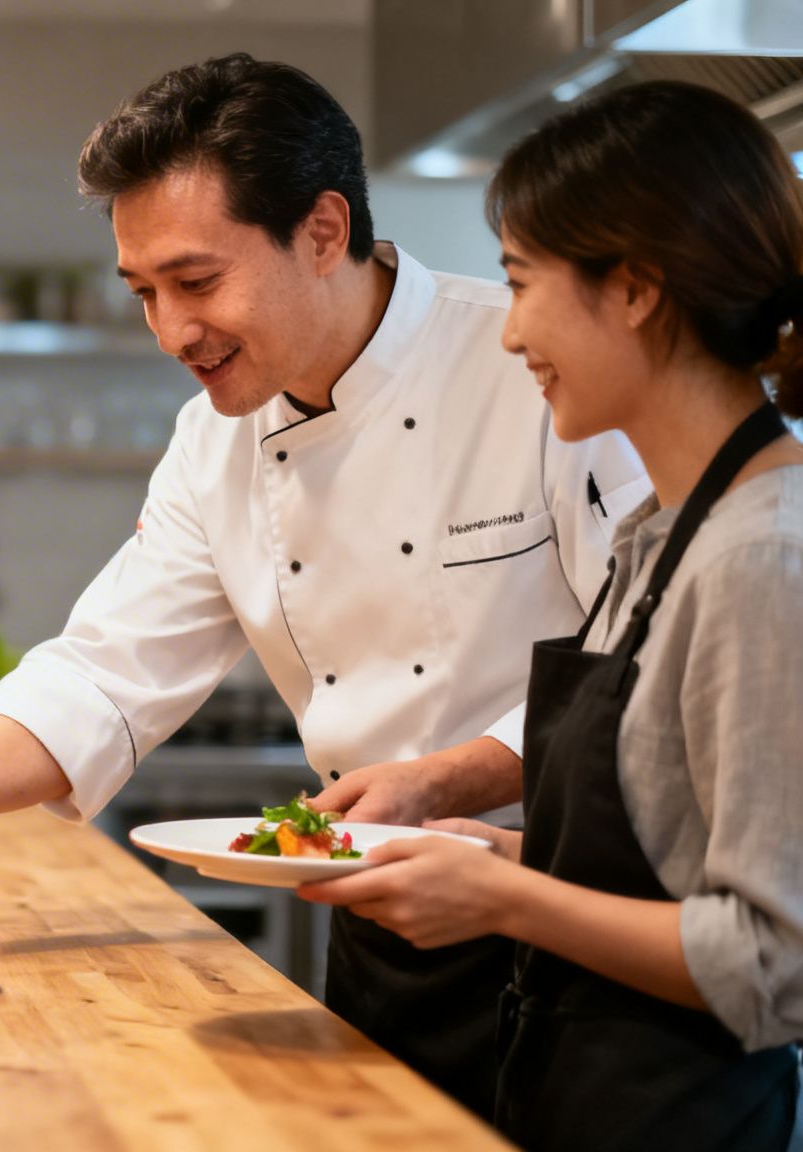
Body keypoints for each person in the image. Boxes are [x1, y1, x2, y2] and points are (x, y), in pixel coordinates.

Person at [0, 53, 650, 1117]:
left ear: (321, 232)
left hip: (569, 930)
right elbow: (105, 674)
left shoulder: (531, 368)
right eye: (142, 292)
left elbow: (638, 661)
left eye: (195, 282)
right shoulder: (213, 441)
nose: (169, 332)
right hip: (375, 923)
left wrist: (448, 776)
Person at [301, 81, 803, 1151]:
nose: (508, 330)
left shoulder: (762, 556)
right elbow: (659, 862)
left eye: (521, 282)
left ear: (631, 289)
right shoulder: (655, 540)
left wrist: (504, 903)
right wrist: (496, 860)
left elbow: (772, 964)